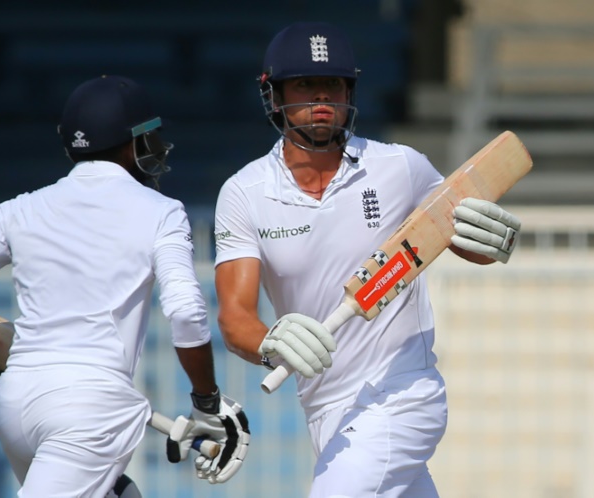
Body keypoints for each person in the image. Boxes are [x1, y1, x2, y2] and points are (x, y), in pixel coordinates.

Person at [213, 22, 521, 497]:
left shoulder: (399, 166)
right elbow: (235, 318)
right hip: (326, 409)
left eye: (332, 85)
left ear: (350, 91)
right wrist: (272, 341)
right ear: (273, 96)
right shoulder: (244, 193)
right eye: (303, 86)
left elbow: (456, 235)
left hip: (401, 393)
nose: (321, 98)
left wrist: (488, 242)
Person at [0, 75, 250, 497]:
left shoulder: (19, 209)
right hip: (92, 410)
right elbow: (186, 311)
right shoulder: (162, 212)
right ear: (132, 143)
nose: (156, 147)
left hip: (14, 400)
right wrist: (206, 400)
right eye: (149, 137)